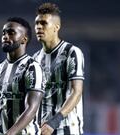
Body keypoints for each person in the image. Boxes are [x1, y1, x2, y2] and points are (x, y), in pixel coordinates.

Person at [33, 3, 85, 135]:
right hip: (43, 130)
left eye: (44, 23)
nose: (38, 27)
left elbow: (77, 92)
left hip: (67, 129)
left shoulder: (71, 52)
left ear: (57, 27)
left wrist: (55, 121)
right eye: (37, 23)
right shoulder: (35, 59)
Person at [0, 17, 45, 135]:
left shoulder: (32, 67)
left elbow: (32, 108)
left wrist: (10, 133)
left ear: (24, 39)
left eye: (11, 33)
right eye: (3, 33)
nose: (5, 36)